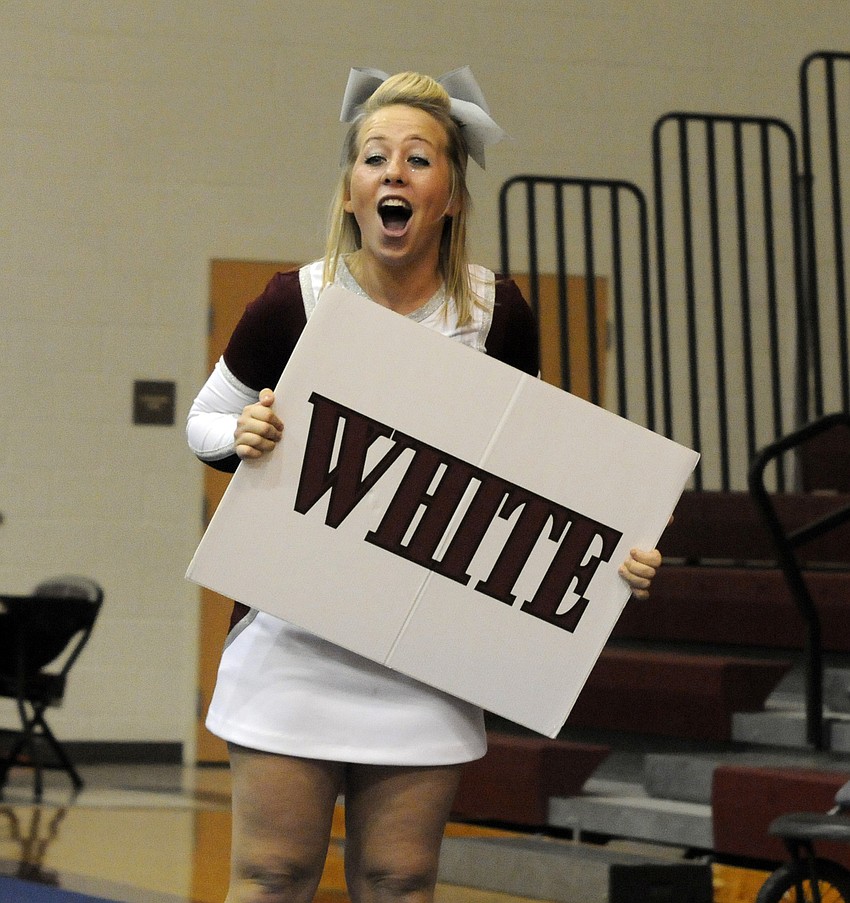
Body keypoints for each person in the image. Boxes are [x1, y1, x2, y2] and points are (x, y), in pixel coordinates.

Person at [187, 67, 663, 903]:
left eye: (418, 158)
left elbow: (540, 476)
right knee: (273, 874)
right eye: (374, 158)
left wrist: (616, 552)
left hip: (423, 658)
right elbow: (204, 421)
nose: (394, 174)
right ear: (349, 192)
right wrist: (240, 435)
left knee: (401, 878)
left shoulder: (497, 313)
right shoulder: (293, 302)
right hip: (291, 645)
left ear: (450, 195)